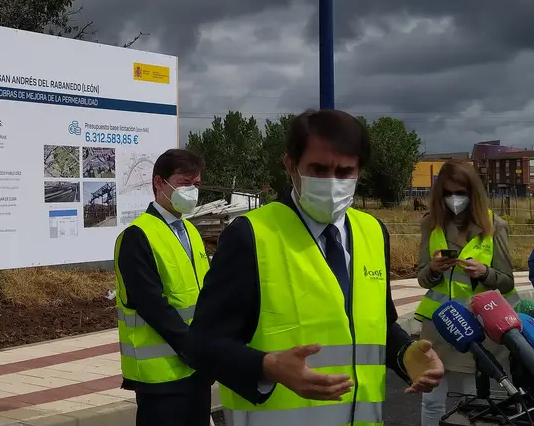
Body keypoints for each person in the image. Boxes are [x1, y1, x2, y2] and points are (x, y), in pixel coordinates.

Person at [189, 109, 444, 426]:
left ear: (360, 171)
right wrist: (268, 366)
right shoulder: (251, 236)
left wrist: (406, 354)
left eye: (345, 171)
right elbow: (202, 344)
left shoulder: (373, 233)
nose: (332, 182)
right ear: (290, 166)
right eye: (318, 169)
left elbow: (379, 323)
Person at [413, 160, 518, 426]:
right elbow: (423, 278)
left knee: (471, 401)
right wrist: (435, 269)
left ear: (473, 193)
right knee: (432, 400)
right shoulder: (431, 224)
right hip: (437, 328)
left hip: (474, 332)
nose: (453, 199)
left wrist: (484, 272)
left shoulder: (496, 226)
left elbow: (506, 282)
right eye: (447, 193)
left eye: (460, 193)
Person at [113, 148, 211, 425]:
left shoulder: (190, 231)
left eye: (196, 184)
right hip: (161, 376)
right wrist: (194, 350)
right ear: (159, 183)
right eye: (184, 182)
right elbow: (152, 305)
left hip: (197, 371)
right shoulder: (137, 236)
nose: (192, 190)